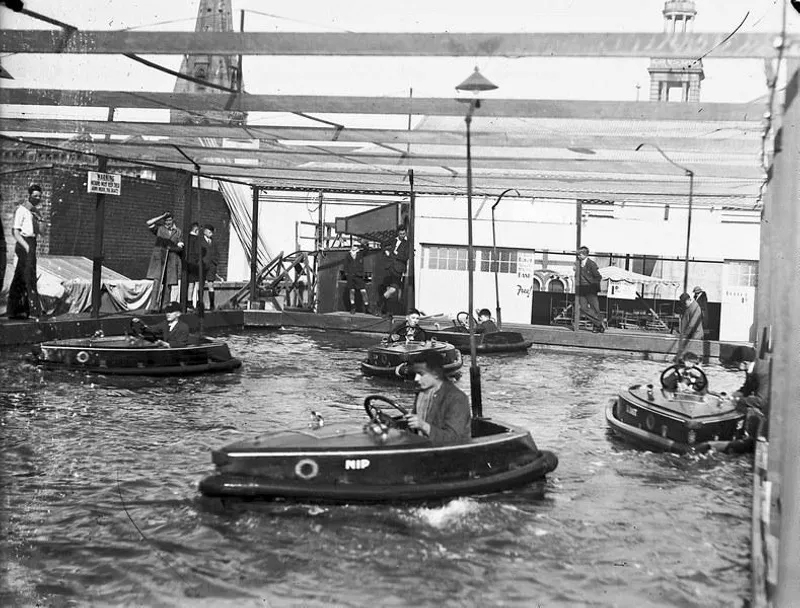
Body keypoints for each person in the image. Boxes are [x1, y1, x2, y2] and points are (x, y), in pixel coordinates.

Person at [703, 354, 770, 454]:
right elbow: (747, 388)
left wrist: (739, 400)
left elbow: (760, 401)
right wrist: (734, 394)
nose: (735, 366)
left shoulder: (763, 372)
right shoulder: (751, 368)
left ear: (744, 363)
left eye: (735, 363)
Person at [403, 350, 471, 445]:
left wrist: (423, 426)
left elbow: (454, 439)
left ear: (435, 373)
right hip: (425, 449)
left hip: (451, 455)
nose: (416, 379)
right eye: (415, 374)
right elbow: (413, 431)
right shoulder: (421, 393)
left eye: (421, 374)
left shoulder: (457, 398)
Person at [7, 184, 44, 320]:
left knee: (23, 276)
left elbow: (42, 233)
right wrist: (26, 247)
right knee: (27, 276)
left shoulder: (35, 211)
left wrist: (40, 219)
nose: (37, 198)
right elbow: (15, 232)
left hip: (32, 242)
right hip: (23, 243)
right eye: (35, 196)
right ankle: (31, 310)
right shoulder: (21, 210)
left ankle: (18, 310)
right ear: (29, 195)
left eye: (39, 196)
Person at [145, 211, 184, 311]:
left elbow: (180, 246)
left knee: (168, 285)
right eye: (166, 220)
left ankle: (164, 307)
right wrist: (162, 216)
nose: (168, 222)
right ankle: (153, 307)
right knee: (157, 283)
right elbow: (149, 223)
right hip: (159, 260)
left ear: (173, 220)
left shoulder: (178, 231)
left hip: (171, 259)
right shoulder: (159, 229)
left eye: (170, 220)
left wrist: (174, 247)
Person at [380, 226, 409, 317]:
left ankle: (379, 304)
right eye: (400, 234)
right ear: (398, 233)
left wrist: (395, 254)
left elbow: (405, 257)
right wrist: (386, 252)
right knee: (389, 289)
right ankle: (386, 311)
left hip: (398, 269)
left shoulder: (407, 243)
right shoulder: (393, 240)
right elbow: (383, 244)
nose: (402, 235)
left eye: (404, 234)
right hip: (389, 267)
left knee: (393, 289)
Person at [574, 245, 605, 333]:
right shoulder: (577, 263)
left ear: (585, 255)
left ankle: (597, 326)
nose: (578, 256)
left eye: (580, 255)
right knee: (583, 308)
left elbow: (598, 277)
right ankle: (599, 323)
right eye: (578, 254)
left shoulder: (591, 264)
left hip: (590, 290)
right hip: (581, 289)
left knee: (595, 308)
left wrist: (592, 286)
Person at [343, 240, 371, 314]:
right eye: (353, 245)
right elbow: (345, 265)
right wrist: (347, 274)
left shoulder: (360, 253)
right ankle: (353, 307)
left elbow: (367, 250)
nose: (354, 247)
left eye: (356, 245)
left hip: (359, 275)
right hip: (351, 276)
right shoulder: (348, 255)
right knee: (351, 291)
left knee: (363, 291)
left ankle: (367, 307)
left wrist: (363, 245)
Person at [676, 292, 704, 359]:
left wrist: (684, 335)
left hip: (695, 336)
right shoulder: (690, 307)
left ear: (688, 300)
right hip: (690, 335)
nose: (684, 305)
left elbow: (692, 324)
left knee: (692, 356)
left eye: (684, 303)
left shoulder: (695, 307)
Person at [199, 224, 220, 311]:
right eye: (208, 230)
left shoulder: (214, 242)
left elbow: (217, 253)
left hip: (211, 266)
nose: (210, 232)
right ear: (204, 231)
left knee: (211, 284)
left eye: (211, 231)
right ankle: (200, 304)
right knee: (201, 285)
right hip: (203, 266)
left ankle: (212, 304)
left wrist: (215, 263)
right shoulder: (200, 241)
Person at [185, 222, 201, 308]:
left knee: (190, 283)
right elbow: (198, 252)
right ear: (196, 230)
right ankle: (198, 301)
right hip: (196, 264)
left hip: (188, 263)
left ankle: (189, 302)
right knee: (197, 283)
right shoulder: (197, 239)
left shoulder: (187, 238)